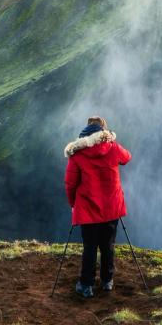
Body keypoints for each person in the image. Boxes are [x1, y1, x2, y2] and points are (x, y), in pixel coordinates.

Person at [64, 116, 132, 298]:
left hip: (88, 209)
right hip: (112, 208)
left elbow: (70, 184)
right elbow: (127, 157)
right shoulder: (114, 149)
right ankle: (107, 281)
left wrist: (73, 204)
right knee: (108, 245)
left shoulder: (77, 155)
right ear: (103, 131)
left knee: (90, 247)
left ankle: (86, 285)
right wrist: (112, 140)